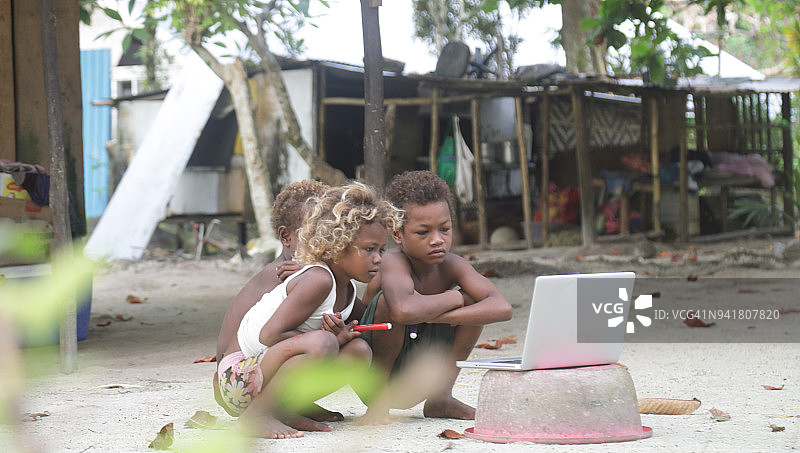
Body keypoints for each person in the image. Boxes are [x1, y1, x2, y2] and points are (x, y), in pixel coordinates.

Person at [215, 183, 402, 438]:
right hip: (236, 378)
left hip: (262, 376)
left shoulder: (346, 289)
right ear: (338, 244)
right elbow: (269, 335)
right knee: (323, 342)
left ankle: (285, 408)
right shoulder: (319, 279)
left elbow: (369, 319)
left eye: (381, 250)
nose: (379, 258)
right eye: (369, 249)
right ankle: (257, 416)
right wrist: (329, 341)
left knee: (359, 351)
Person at [360, 170, 513, 423]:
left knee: (476, 301)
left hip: (421, 374)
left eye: (445, 229)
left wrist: (439, 317)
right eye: (423, 232)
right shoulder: (393, 261)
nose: (437, 240)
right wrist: (454, 299)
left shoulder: (453, 265)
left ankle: (441, 398)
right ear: (397, 235)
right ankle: (378, 404)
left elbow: (502, 308)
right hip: (373, 374)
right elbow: (402, 311)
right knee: (389, 302)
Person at [214, 180, 328, 420]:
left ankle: (290, 403)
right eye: (313, 234)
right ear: (286, 237)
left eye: (328, 233)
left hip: (258, 367)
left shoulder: (311, 272)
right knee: (322, 344)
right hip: (239, 376)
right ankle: (269, 409)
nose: (323, 242)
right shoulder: (280, 274)